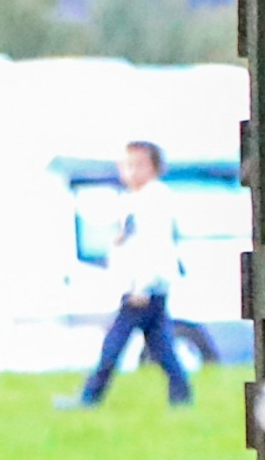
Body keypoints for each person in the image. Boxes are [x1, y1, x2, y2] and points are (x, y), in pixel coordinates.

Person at [59, 140, 192, 409]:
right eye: (127, 165)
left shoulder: (154, 199)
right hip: (143, 288)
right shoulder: (135, 200)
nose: (132, 172)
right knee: (162, 348)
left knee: (113, 345)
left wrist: (142, 286)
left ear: (155, 168)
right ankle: (182, 397)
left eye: (139, 165)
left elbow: (154, 245)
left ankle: (89, 398)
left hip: (143, 290)